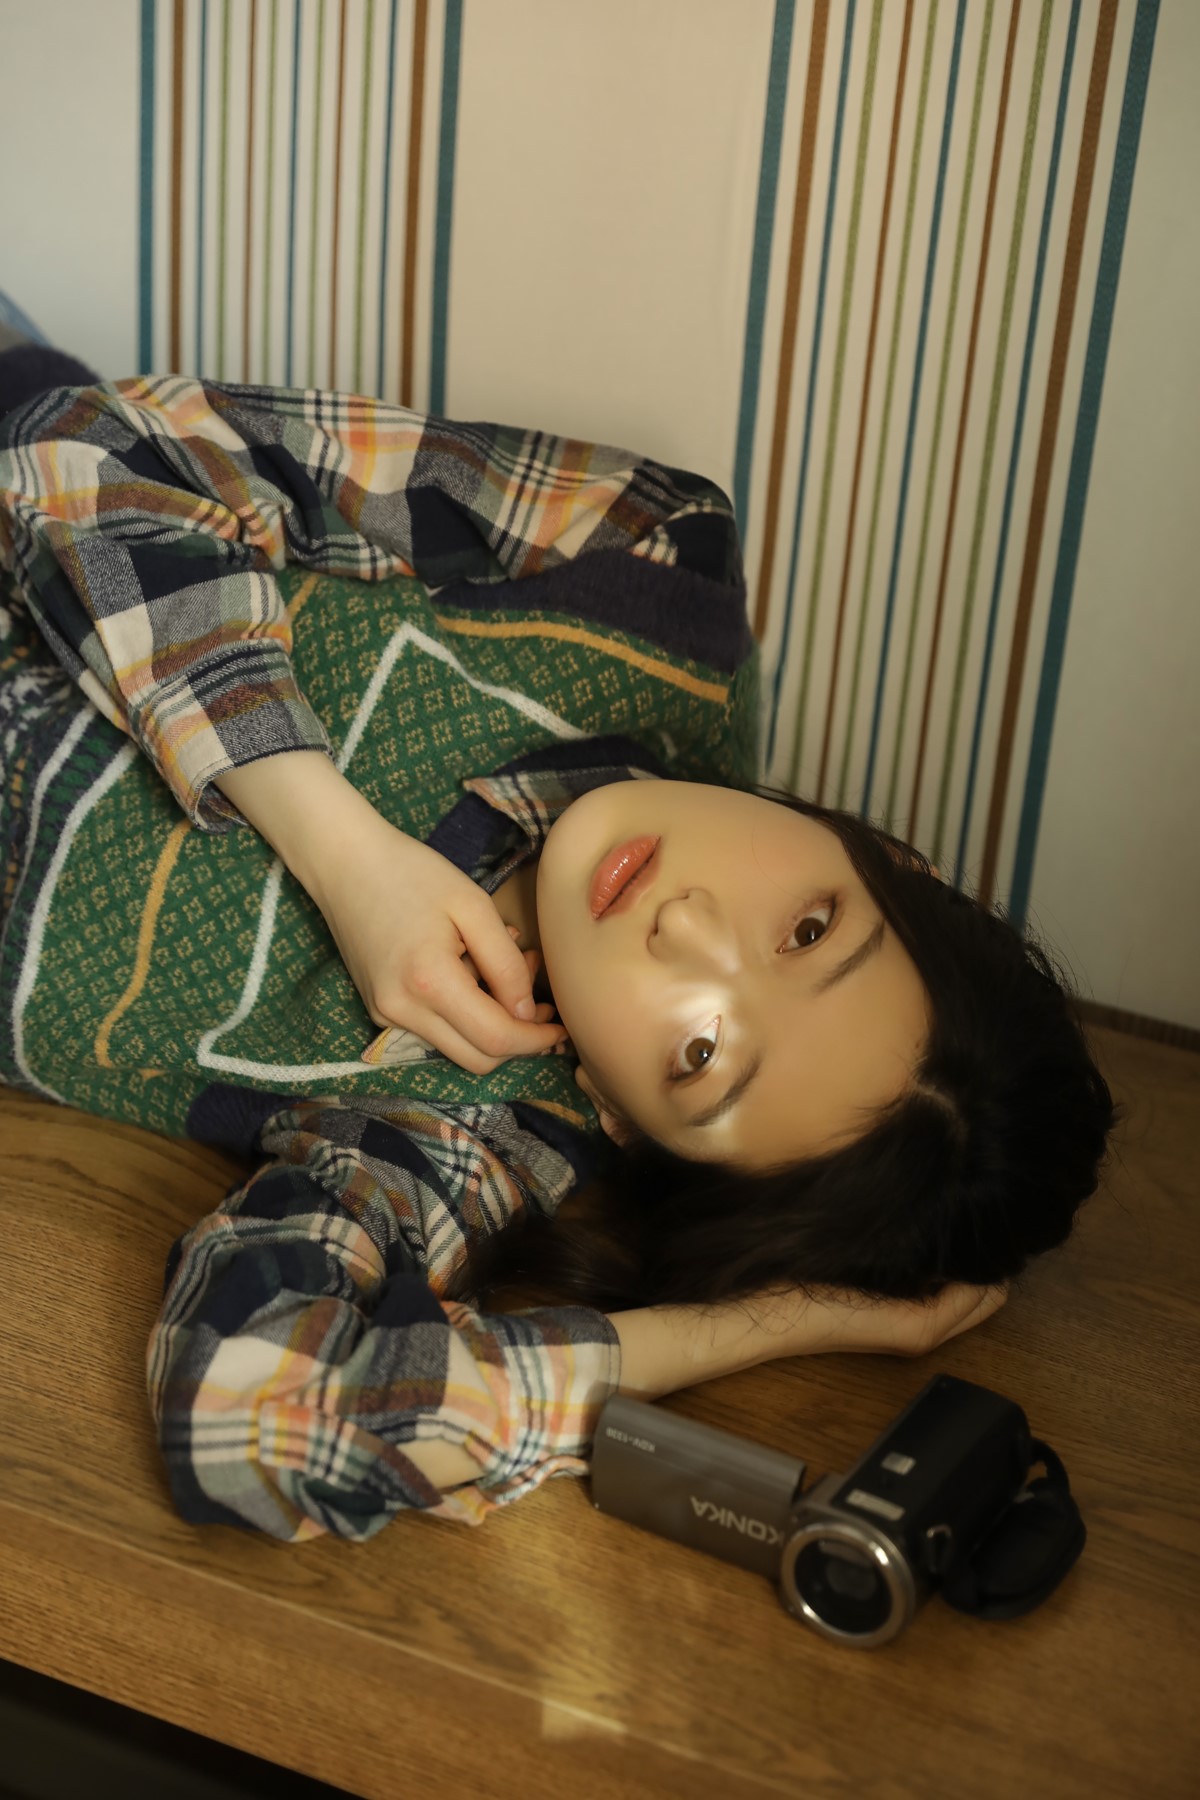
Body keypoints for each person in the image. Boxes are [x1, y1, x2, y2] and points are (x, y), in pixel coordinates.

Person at [0, 364, 1114, 1542]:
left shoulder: (482, 1130)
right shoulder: (652, 579)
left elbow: (254, 1418)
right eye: (809, 928)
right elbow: (78, 442)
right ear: (888, 855)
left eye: (700, 1055)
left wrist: (759, 1326)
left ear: (629, 1124)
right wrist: (340, 849)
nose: (683, 928)